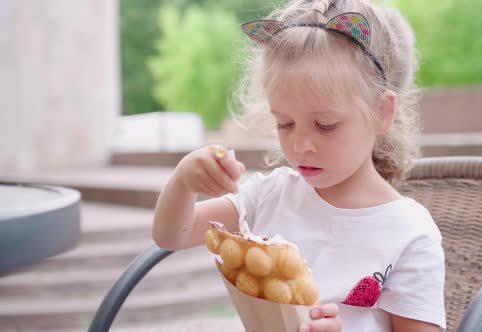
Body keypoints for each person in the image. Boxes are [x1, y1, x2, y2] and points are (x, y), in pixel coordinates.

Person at [153, 0, 446, 331]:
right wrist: (184, 181)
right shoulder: (271, 195)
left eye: (325, 125)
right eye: (285, 124)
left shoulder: (408, 231)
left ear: (381, 112)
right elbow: (172, 235)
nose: (300, 144)